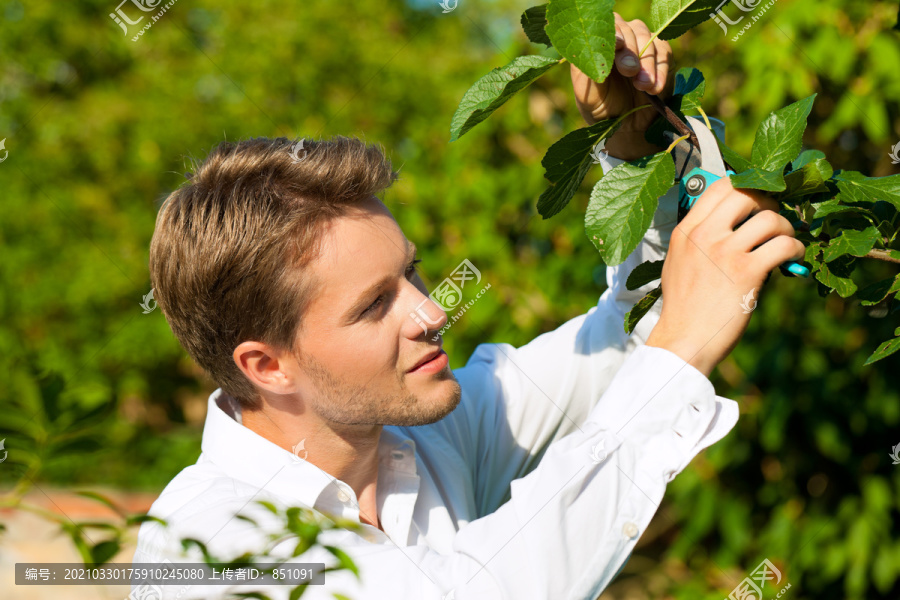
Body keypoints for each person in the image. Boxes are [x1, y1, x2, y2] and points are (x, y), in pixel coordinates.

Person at [133, 14, 806, 600]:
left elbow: (622, 343)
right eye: (373, 306)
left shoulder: (424, 439)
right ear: (267, 365)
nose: (430, 313)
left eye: (412, 272)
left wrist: (634, 151)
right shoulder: (212, 548)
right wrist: (681, 347)